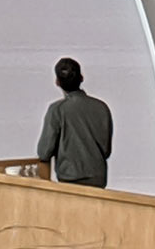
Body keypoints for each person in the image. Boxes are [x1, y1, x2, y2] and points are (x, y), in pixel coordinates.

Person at [36, 57, 113, 189]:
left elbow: (44, 152)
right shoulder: (102, 107)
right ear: (81, 78)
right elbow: (106, 151)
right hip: (98, 178)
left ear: (57, 82)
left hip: (69, 179)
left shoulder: (57, 110)